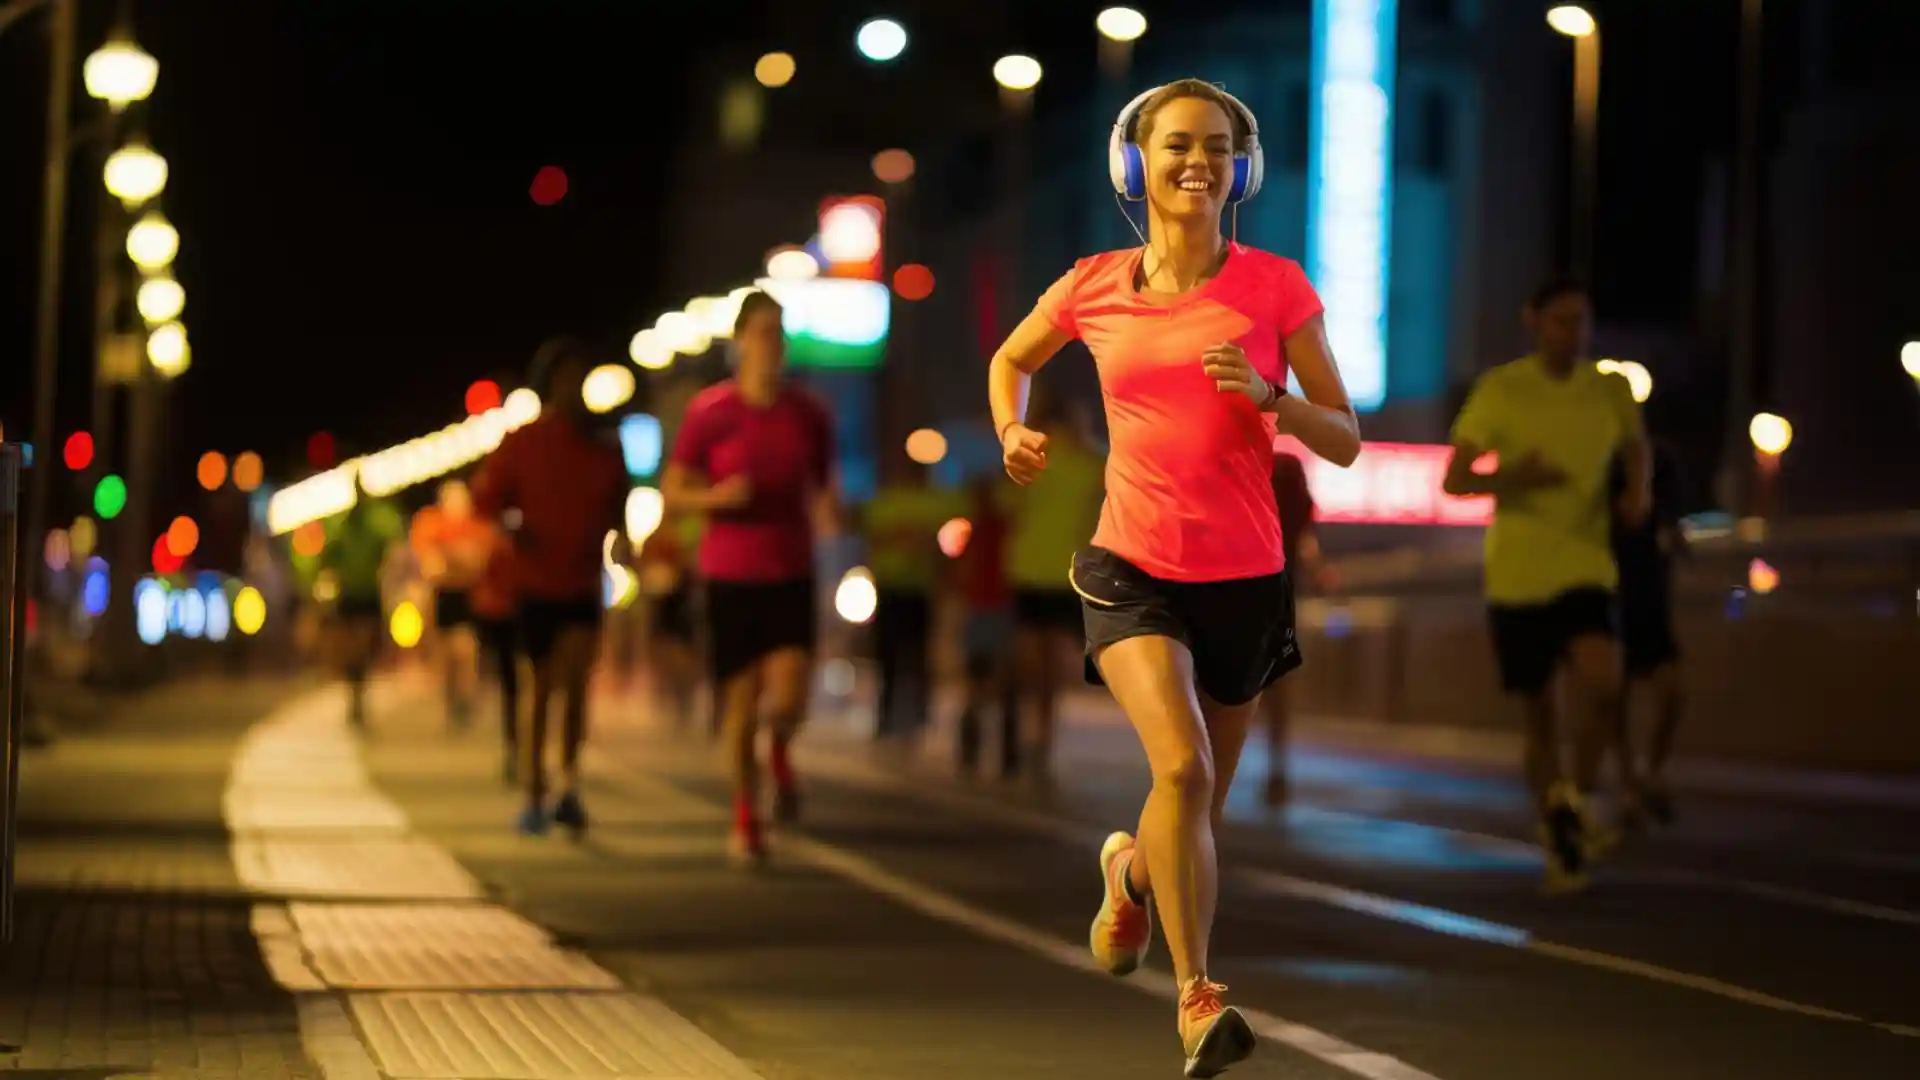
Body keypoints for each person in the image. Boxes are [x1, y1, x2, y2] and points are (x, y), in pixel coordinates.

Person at [987, 79, 1361, 1078]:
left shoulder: (1277, 288)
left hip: (1246, 577)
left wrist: (1277, 398)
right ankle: (1198, 1000)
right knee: (1183, 771)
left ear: (1243, 167)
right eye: (1176, 145)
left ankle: (1129, 873)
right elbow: (1010, 359)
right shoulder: (1093, 284)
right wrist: (1013, 430)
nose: (1197, 161)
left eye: (1216, 146)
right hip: (1130, 565)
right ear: (1135, 164)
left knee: (1190, 802)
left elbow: (1350, 439)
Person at [1441, 280, 1650, 894]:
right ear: (1533, 321)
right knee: (1538, 714)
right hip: (1518, 575)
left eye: (1581, 321)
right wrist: (1510, 479)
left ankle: (1573, 799)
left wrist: (1640, 492)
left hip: (1586, 565)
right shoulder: (1502, 389)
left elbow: (1635, 448)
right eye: (1560, 321)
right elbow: (1455, 480)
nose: (1573, 333)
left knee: (1605, 681)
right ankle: (1558, 829)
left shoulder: (1609, 388)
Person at [664, 290, 840, 866]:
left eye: (778, 332)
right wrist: (715, 497)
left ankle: (781, 752)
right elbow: (674, 489)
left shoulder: (808, 413)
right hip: (730, 574)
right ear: (739, 341)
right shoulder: (710, 412)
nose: (772, 343)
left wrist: (832, 513)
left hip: (790, 568)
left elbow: (824, 484)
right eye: (762, 331)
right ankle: (747, 814)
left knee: (788, 699)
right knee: (740, 708)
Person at [473, 339, 630, 837]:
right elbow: (486, 500)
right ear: (547, 385)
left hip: (582, 582)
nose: (572, 388)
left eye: (579, 379)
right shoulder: (522, 442)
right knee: (539, 688)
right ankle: (533, 788)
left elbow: (619, 508)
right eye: (563, 378)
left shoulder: (605, 446)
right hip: (536, 584)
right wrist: (515, 525)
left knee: (577, 686)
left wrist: (624, 542)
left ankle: (569, 785)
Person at [1001, 391, 1105, 783]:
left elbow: (1007, 507)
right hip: (1055, 574)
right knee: (1048, 669)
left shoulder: (1037, 464)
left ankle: (1033, 739)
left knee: (1034, 667)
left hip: (1039, 573)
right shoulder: (1089, 462)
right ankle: (1038, 739)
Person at [1610, 436, 1685, 826]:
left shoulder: (1660, 460)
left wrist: (1672, 532)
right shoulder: (1602, 463)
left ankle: (1649, 773)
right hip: (1612, 594)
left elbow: (1673, 524)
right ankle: (1627, 787)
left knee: (1672, 691)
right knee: (1615, 699)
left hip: (1653, 598)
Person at [1261, 450, 1333, 808]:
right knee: (1275, 686)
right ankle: (1277, 768)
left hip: (1232, 585)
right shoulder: (1289, 472)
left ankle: (1204, 767)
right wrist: (1318, 571)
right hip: (1279, 591)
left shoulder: (1255, 469)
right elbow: (1306, 538)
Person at [320, 481, 407, 727]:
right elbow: (327, 560)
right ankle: (355, 692)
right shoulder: (342, 528)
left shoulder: (376, 525)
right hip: (350, 595)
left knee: (364, 645)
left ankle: (359, 690)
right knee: (351, 649)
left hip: (368, 594)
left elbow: (390, 553)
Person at [410, 478, 492, 728]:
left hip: (469, 598)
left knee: (465, 650)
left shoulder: (477, 526)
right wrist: (456, 560)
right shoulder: (429, 523)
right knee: (445, 654)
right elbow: (432, 569)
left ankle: (465, 698)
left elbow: (479, 562)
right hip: (443, 598)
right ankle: (451, 700)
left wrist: (451, 559)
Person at [955, 476, 1019, 777]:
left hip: (995, 609)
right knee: (988, 682)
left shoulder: (995, 528)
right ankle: (995, 752)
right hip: (990, 609)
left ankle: (992, 751)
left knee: (990, 683)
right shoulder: (991, 529)